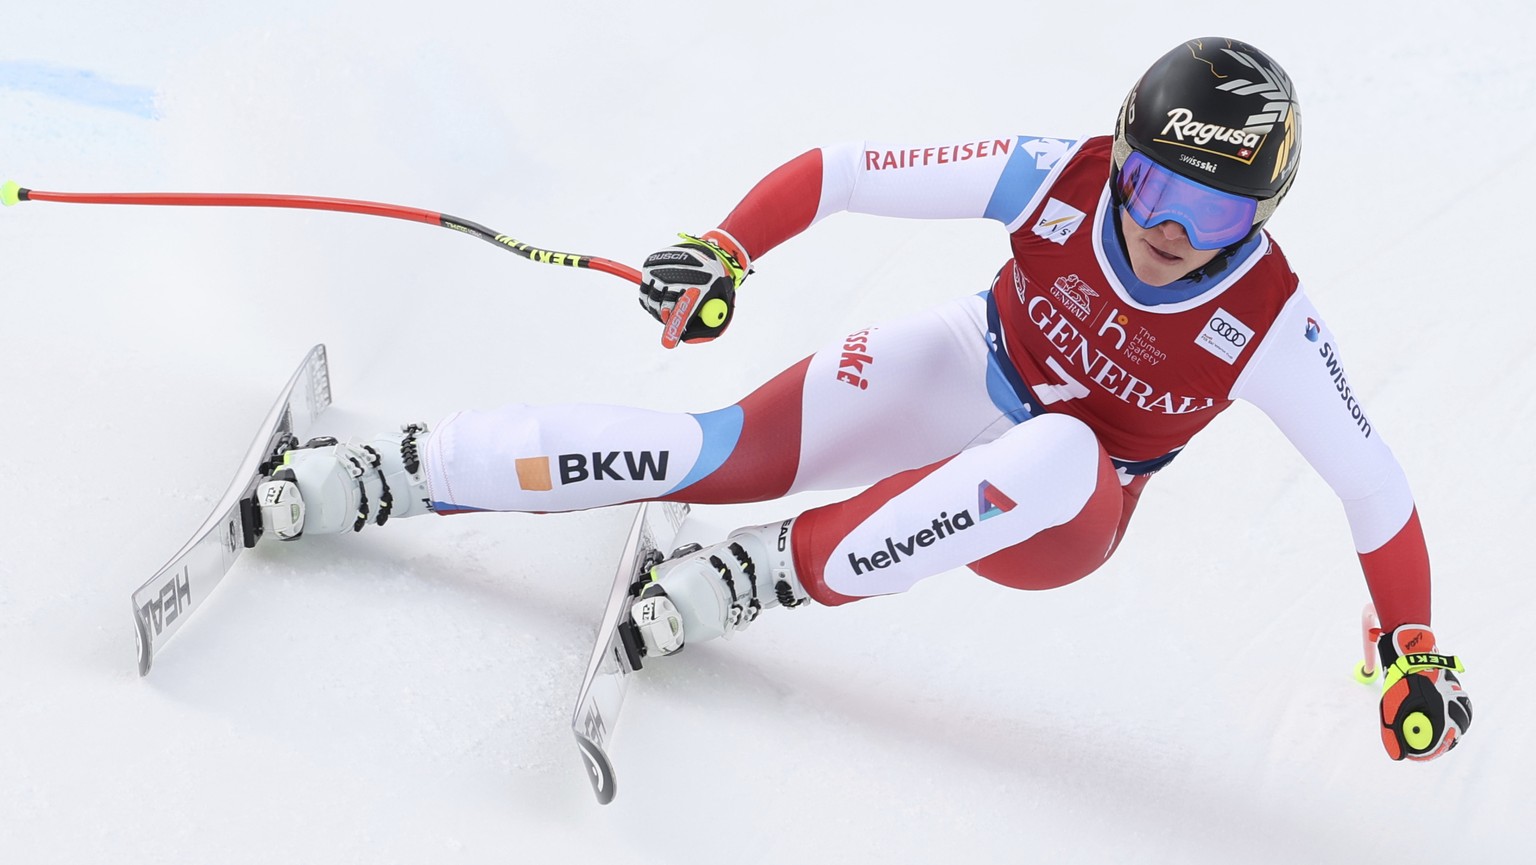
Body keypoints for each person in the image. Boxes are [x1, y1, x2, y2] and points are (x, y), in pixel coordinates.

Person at [254, 37, 1471, 762]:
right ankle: (394, 470)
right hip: (963, 366)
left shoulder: (1268, 321)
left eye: (1205, 215)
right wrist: (728, 249)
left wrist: (1409, 650)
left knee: (1052, 451)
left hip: (1060, 510)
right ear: (1121, 147)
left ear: (1256, 222)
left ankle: (764, 573)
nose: (1159, 230)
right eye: (1151, 182)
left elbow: (1375, 489)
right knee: (705, 449)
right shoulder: (1056, 178)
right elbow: (840, 173)